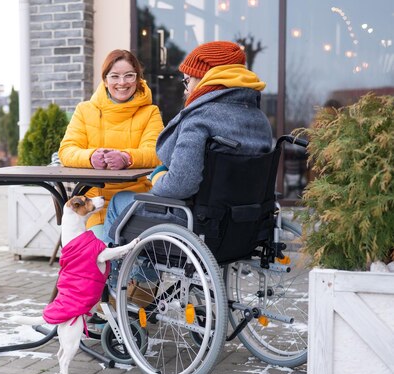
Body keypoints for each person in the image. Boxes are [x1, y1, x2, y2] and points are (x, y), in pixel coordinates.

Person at [104, 40, 274, 243]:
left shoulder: (200, 118)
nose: (185, 90)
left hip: (198, 224)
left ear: (204, 78)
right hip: (244, 226)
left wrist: (157, 178)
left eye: (187, 81)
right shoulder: (259, 119)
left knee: (119, 202)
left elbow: (180, 184)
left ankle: (119, 274)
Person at [58, 49, 163, 239]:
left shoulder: (150, 112)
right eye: (114, 76)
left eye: (129, 76)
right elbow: (67, 151)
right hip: (95, 205)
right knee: (100, 258)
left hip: (134, 202)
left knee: (135, 257)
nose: (122, 83)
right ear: (105, 80)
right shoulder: (84, 110)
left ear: (138, 79)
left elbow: (156, 152)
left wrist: (126, 157)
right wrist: (91, 157)